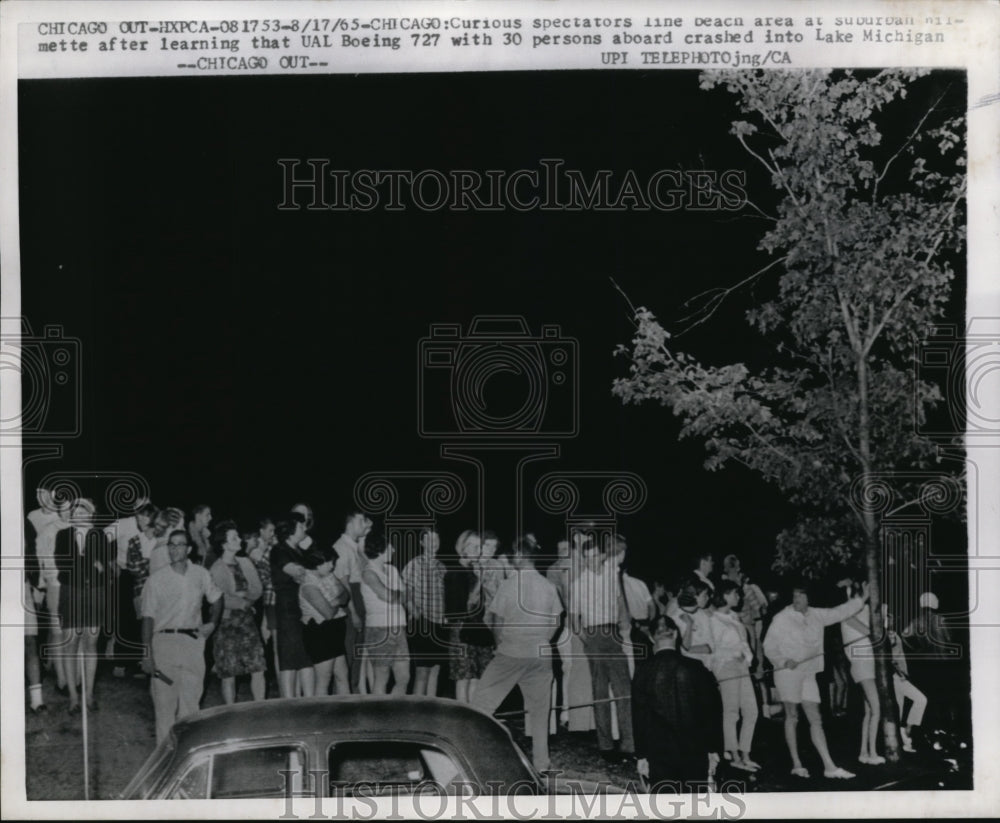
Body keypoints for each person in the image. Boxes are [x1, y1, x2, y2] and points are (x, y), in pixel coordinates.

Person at [472, 534, 564, 773]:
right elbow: (556, 622)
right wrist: (542, 640)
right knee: (539, 711)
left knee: (481, 703)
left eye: (514, 553)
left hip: (511, 651)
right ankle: (542, 764)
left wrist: (499, 645)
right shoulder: (548, 586)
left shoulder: (509, 585)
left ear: (521, 557)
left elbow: (496, 621)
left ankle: (475, 755)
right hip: (541, 653)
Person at [763, 581, 868, 779]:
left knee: (816, 719)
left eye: (801, 596)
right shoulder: (781, 618)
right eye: (794, 596)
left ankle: (829, 767)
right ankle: (796, 764)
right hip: (787, 673)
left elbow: (839, 612)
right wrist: (783, 660)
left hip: (808, 672)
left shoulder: (817, 615)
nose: (797, 600)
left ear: (809, 598)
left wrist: (861, 599)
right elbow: (769, 646)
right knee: (792, 716)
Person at [140, 529, 223, 742]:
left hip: (192, 646)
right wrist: (147, 654)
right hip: (164, 646)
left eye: (179, 544)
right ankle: (164, 764)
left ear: (189, 549)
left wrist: (212, 624)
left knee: (190, 709)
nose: (175, 549)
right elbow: (147, 618)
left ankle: (186, 761)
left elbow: (217, 598)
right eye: (171, 544)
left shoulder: (201, 574)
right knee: (165, 706)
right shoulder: (156, 580)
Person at [632, 615, 723, 792]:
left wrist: (641, 755)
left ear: (652, 638)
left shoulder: (643, 671)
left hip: (659, 751)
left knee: (665, 807)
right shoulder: (697, 667)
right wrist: (713, 750)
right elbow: (711, 712)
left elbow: (639, 716)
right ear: (675, 634)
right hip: (695, 750)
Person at [570, 538, 635, 760]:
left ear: (602, 555)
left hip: (613, 632)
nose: (592, 561)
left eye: (596, 556)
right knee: (600, 692)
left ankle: (629, 744)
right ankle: (605, 746)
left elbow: (621, 604)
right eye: (587, 558)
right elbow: (574, 619)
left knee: (624, 690)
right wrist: (587, 638)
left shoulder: (611, 575)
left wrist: (625, 630)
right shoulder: (578, 583)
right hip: (594, 635)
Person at [53, 498, 113, 713]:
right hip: (71, 592)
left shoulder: (100, 536)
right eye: (75, 511)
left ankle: (88, 695)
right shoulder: (63, 535)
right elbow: (63, 564)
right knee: (71, 643)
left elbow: (106, 565)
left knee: (91, 643)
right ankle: (73, 697)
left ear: (91, 514)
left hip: (95, 593)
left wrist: (90, 564)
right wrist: (91, 563)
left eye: (84, 511)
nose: (79, 514)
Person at [210, 521, 267, 703]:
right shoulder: (216, 568)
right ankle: (230, 712)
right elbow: (219, 598)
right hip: (226, 625)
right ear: (224, 544)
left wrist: (243, 599)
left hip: (247, 622)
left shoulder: (245, 562)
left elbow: (257, 589)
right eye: (234, 538)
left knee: (258, 667)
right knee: (229, 672)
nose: (239, 540)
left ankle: (260, 707)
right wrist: (243, 602)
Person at [710, 580, 759, 771]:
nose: (738, 597)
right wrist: (733, 657)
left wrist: (747, 658)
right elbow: (714, 648)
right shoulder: (713, 620)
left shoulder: (734, 618)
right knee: (731, 712)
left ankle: (745, 753)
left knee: (751, 710)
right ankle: (733, 754)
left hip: (741, 666)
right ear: (724, 595)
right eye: (734, 594)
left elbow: (743, 643)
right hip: (725, 666)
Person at [26, 487, 72, 693]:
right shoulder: (41, 524)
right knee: (54, 630)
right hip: (51, 582)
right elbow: (39, 554)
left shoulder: (77, 527)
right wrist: (41, 581)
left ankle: (69, 675)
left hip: (73, 585)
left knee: (70, 631)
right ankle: (60, 678)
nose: (67, 512)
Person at [445, 530, 493, 704]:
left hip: (476, 628)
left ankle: (475, 716)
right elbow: (467, 605)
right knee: (463, 676)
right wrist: (481, 580)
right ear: (462, 548)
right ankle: (463, 719)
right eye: (471, 546)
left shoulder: (473, 571)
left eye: (478, 546)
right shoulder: (455, 572)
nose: (476, 550)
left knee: (477, 677)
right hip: (461, 629)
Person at [360, 532, 410, 695]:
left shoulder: (392, 570)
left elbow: (404, 594)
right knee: (382, 677)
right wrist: (400, 595)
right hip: (379, 630)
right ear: (379, 549)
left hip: (398, 627)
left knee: (404, 677)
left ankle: (395, 714)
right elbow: (387, 595)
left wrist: (399, 595)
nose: (393, 550)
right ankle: (377, 717)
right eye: (390, 547)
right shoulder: (368, 572)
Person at [271, 512, 315, 698]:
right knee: (289, 659)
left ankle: (309, 704)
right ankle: (287, 706)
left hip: (302, 610)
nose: (305, 528)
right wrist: (310, 573)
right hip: (288, 611)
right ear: (290, 530)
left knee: (306, 659)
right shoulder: (279, 551)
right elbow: (299, 573)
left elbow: (305, 574)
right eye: (301, 525)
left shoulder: (299, 552)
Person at [839, 581, 883, 765]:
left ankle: (863, 752)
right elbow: (870, 631)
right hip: (862, 664)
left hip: (865, 664)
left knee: (868, 711)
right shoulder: (848, 615)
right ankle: (873, 754)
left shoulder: (855, 612)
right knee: (876, 709)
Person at [299, 548, 350, 695]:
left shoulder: (329, 576)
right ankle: (320, 716)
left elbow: (346, 595)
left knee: (342, 675)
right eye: (328, 563)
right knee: (324, 679)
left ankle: (346, 714)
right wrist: (337, 600)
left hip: (335, 629)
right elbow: (327, 613)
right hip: (319, 632)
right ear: (316, 564)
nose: (332, 566)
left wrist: (334, 601)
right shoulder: (308, 585)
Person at [402, 528, 447, 696]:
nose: (433, 543)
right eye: (429, 540)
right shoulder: (415, 564)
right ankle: (417, 715)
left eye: (436, 539)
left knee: (436, 670)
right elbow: (405, 593)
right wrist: (417, 616)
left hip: (439, 623)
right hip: (423, 624)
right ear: (421, 543)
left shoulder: (442, 567)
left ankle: (432, 713)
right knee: (422, 672)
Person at [332, 511, 373, 692]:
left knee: (358, 654)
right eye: (360, 521)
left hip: (360, 600)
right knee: (347, 654)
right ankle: (340, 698)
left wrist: (365, 535)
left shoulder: (356, 547)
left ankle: (355, 694)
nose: (364, 524)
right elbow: (343, 582)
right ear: (349, 524)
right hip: (350, 604)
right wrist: (354, 612)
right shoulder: (341, 547)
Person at [886, 609, 927, 753]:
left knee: (907, 705)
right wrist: (900, 672)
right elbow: (889, 658)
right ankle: (904, 735)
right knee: (917, 701)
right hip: (895, 677)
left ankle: (904, 736)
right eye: (889, 616)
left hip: (900, 676)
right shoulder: (887, 635)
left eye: (892, 617)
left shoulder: (893, 634)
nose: (892, 619)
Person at [668, 579, 714, 670]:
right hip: (689, 667)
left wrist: (690, 649)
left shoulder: (703, 614)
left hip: (709, 664)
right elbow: (682, 650)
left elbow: (711, 646)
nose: (708, 598)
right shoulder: (675, 618)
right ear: (694, 597)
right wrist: (689, 625)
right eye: (705, 595)